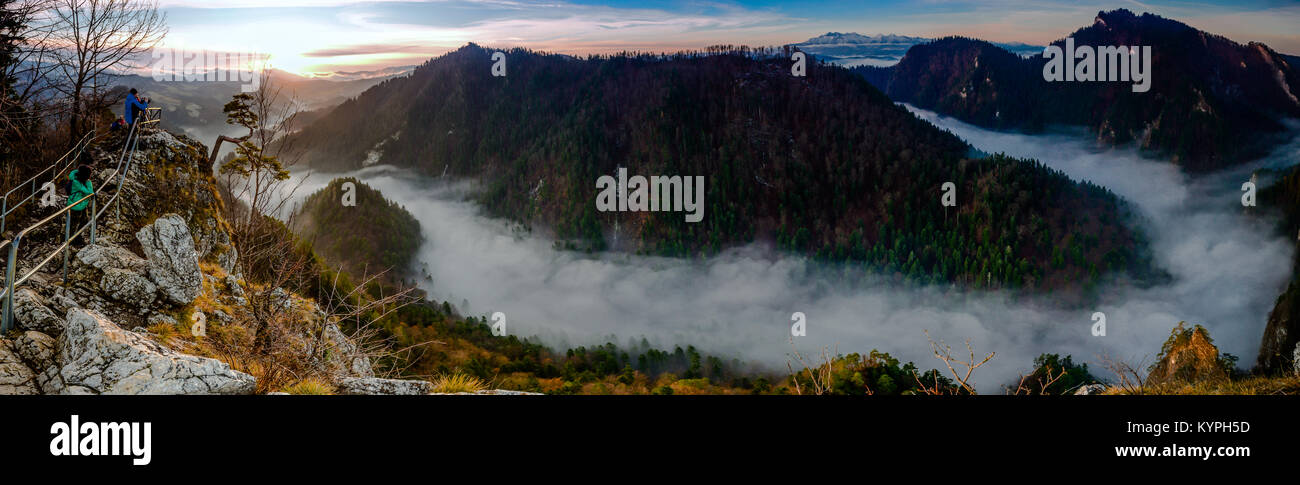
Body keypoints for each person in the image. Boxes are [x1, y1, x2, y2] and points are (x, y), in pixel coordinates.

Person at [67, 164, 94, 246]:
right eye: (89, 174)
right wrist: (89, 182)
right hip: (75, 205)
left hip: (81, 204)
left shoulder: (81, 180)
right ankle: (71, 240)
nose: (90, 176)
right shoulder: (76, 182)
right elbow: (89, 192)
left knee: (85, 220)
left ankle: (77, 237)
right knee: (74, 223)